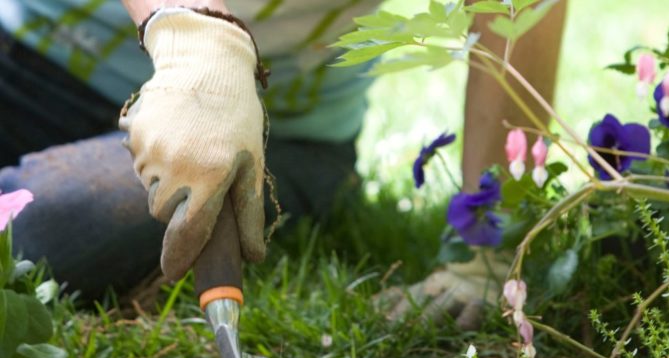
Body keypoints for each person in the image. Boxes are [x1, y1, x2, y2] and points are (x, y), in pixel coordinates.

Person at [0, 0, 566, 324]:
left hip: (276, 128)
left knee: (39, 234)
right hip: (35, 56)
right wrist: (195, 40)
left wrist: (487, 244)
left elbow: (519, 12)